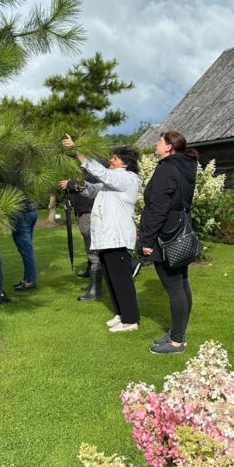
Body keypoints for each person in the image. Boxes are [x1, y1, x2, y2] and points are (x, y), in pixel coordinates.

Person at [62, 135, 141, 332]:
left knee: (121, 280)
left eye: (114, 158)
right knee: (112, 279)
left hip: (116, 238)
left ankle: (130, 320)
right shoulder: (112, 182)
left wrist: (78, 151)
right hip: (106, 239)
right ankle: (121, 314)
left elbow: (102, 174)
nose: (110, 160)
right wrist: (81, 182)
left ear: (125, 163)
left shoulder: (127, 178)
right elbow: (91, 190)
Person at [139, 130, 198, 353]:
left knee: (174, 287)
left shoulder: (167, 168)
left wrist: (147, 239)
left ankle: (176, 342)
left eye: (159, 141)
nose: (156, 144)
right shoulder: (185, 165)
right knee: (182, 283)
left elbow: (159, 207)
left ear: (169, 147)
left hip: (165, 234)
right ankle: (178, 333)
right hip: (179, 229)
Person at [58, 177, 102, 301]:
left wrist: (70, 183)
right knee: (90, 246)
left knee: (93, 246)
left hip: (89, 209)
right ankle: (94, 283)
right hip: (84, 209)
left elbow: (91, 183)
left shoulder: (90, 166)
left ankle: (96, 287)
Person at [11, 197, 38, 291]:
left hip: (22, 214)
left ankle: (30, 280)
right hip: (32, 211)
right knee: (27, 248)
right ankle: (26, 278)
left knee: (26, 250)